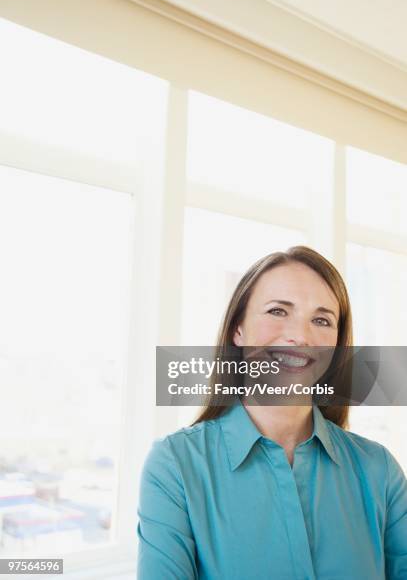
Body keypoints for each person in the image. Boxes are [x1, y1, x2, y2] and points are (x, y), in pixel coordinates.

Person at [137, 246, 407, 579]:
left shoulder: (379, 470)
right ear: (238, 329)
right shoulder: (176, 465)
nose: (300, 336)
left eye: (321, 320)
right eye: (278, 311)